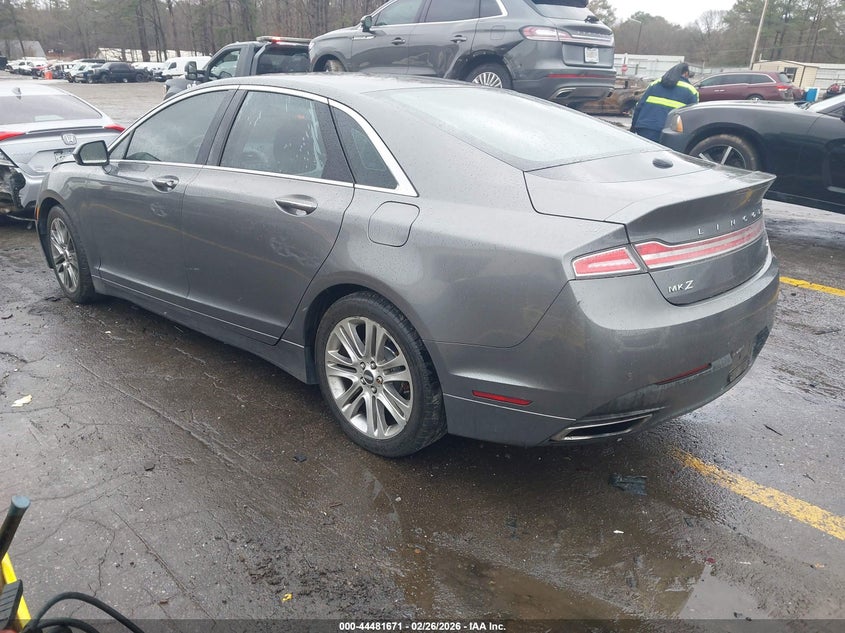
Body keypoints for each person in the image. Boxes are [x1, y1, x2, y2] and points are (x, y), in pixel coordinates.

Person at [631, 63, 698, 142]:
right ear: (686, 73)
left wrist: (633, 127)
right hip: (670, 133)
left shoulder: (655, 83)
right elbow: (692, 116)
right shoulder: (691, 90)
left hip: (645, 128)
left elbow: (639, 106)